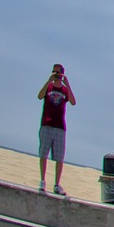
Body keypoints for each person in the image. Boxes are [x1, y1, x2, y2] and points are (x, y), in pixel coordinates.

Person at [36, 65, 75, 195]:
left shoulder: (64, 90)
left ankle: (57, 184)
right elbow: (40, 96)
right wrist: (48, 81)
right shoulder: (49, 87)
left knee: (59, 158)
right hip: (46, 125)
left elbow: (73, 102)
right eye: (54, 72)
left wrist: (67, 84)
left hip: (59, 127)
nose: (55, 74)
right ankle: (42, 181)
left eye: (58, 72)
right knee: (43, 154)